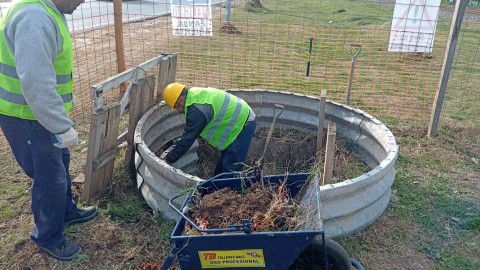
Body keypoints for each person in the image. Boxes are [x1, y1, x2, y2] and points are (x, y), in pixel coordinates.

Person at [0, 0, 97, 261]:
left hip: (37, 114)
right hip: (28, 117)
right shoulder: (34, 17)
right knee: (49, 178)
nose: (83, 1)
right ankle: (48, 236)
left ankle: (65, 212)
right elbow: (36, 83)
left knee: (60, 164)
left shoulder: (46, 11)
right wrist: (60, 126)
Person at [162, 83, 257, 177]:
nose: (179, 110)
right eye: (175, 108)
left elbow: (188, 138)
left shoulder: (196, 111)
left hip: (243, 123)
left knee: (231, 168)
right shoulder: (194, 95)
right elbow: (191, 132)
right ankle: (216, 189)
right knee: (223, 165)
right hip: (237, 121)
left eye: (177, 106)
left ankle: (232, 190)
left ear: (181, 98)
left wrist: (168, 160)